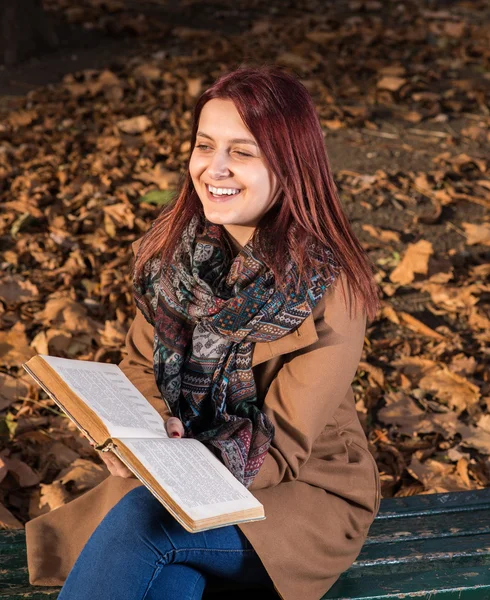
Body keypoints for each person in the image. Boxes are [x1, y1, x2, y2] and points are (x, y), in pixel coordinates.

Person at [25, 66, 382, 600]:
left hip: (296, 494)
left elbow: (279, 451)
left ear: (291, 166)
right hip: (178, 471)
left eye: (242, 152)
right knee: (168, 574)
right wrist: (140, 434)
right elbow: (141, 367)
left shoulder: (330, 288)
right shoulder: (177, 260)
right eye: (205, 145)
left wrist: (168, 464)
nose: (214, 167)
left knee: (148, 522)